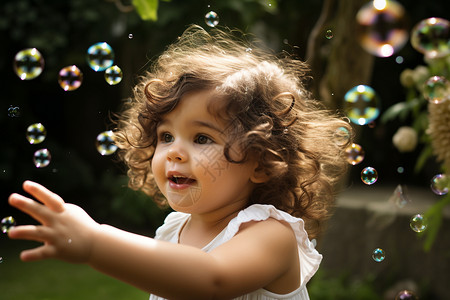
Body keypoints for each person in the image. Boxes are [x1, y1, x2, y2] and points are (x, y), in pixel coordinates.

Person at [8, 25, 352, 299]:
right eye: (165, 136)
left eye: (202, 138)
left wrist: (95, 242)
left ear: (262, 162)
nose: (173, 151)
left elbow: (211, 280)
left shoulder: (272, 235)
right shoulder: (174, 229)